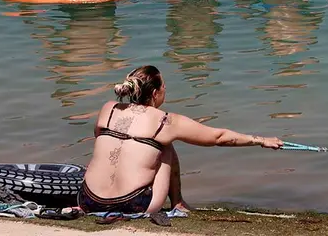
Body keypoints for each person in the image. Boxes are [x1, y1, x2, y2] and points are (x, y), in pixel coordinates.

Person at [79, 65, 283, 215]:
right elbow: (218, 137)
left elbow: (101, 139)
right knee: (164, 146)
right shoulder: (165, 122)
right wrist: (261, 140)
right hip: (133, 204)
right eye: (164, 87)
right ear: (155, 93)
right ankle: (177, 203)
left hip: (88, 200)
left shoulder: (109, 108)